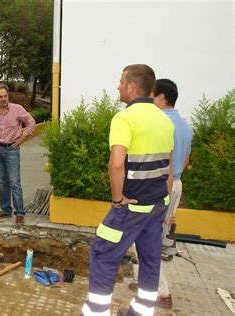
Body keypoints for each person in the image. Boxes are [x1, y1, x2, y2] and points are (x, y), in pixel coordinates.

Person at [81, 64, 175, 316]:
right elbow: (169, 166)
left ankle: (96, 312)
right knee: (151, 260)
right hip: (156, 205)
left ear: (132, 87)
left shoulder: (124, 118)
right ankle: (141, 312)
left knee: (102, 253)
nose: (118, 86)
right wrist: (164, 203)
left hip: (131, 206)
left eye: (121, 82)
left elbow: (116, 164)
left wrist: (118, 199)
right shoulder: (164, 120)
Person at [129, 79, 193, 309]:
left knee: (148, 242)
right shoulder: (186, 125)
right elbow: (185, 161)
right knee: (152, 238)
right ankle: (142, 282)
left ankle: (162, 292)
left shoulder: (161, 122)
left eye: (152, 96)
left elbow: (159, 161)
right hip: (175, 183)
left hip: (159, 187)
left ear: (162, 97)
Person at [0, 83, 36, 224]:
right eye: (0, 96)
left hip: (12, 149)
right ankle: (6, 209)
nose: (3, 99)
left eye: (5, 96)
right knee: (2, 182)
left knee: (14, 182)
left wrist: (23, 137)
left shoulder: (17, 109)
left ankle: (19, 213)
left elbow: (31, 123)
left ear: (8, 96)